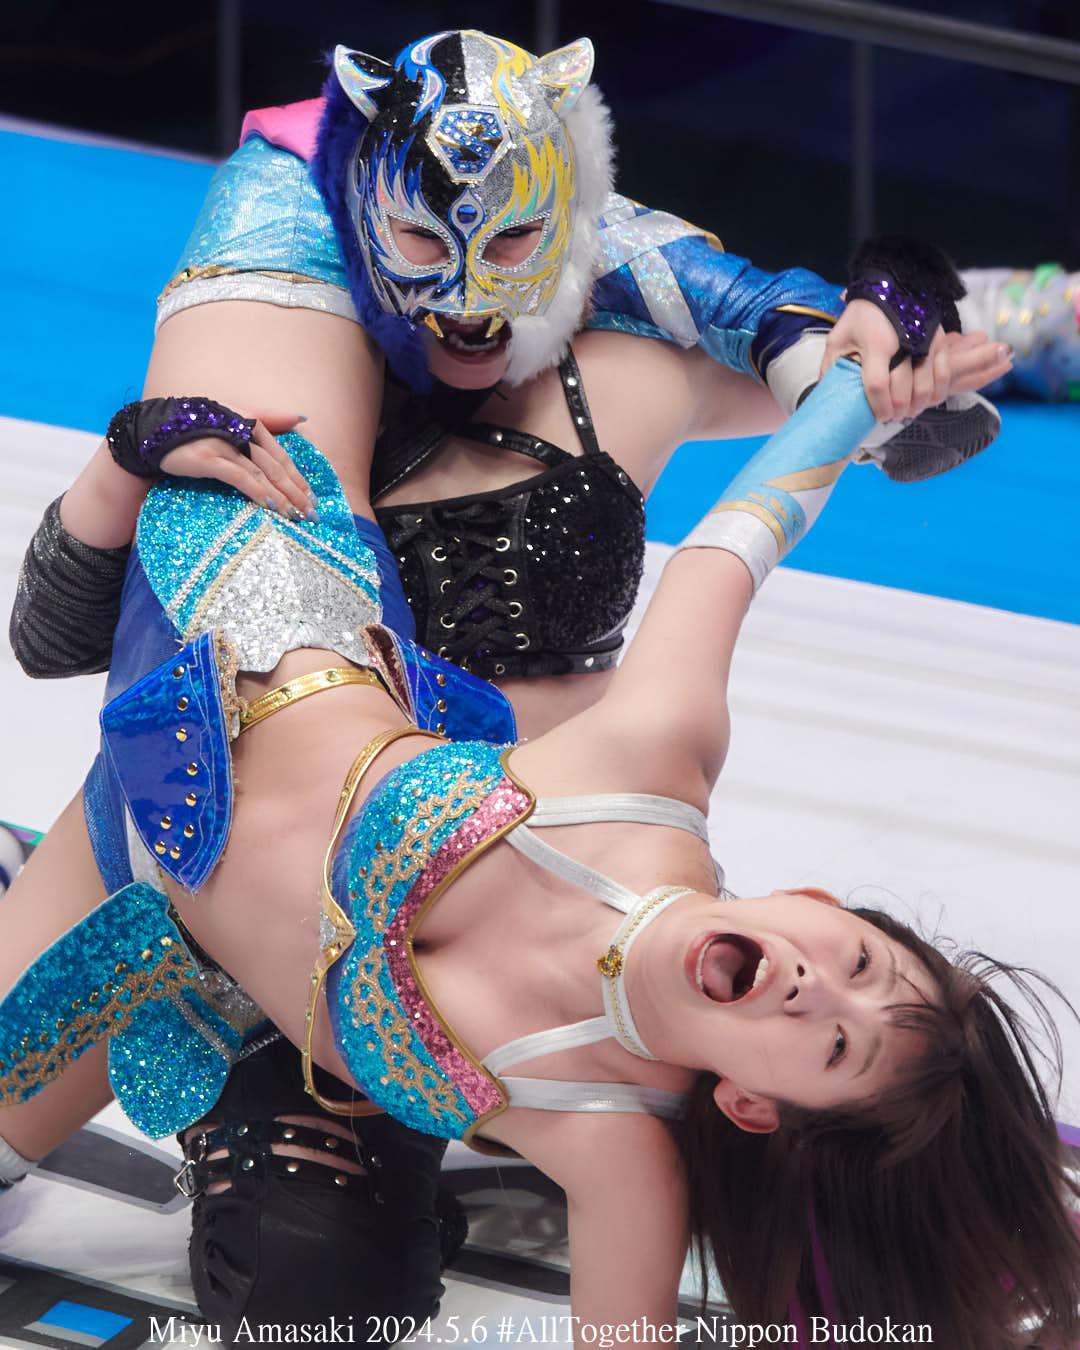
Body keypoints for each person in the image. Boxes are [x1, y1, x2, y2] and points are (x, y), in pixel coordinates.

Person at [5, 28, 1017, 1339]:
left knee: (321, 1293)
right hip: (250, 624)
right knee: (262, 424)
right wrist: (863, 370)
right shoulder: (650, 777)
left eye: (834, 1041)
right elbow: (743, 533)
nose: (815, 988)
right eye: (860, 963)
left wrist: (860, 350)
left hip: (175, 908)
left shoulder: (616, 1140)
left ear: (759, 1105)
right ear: (817, 904)